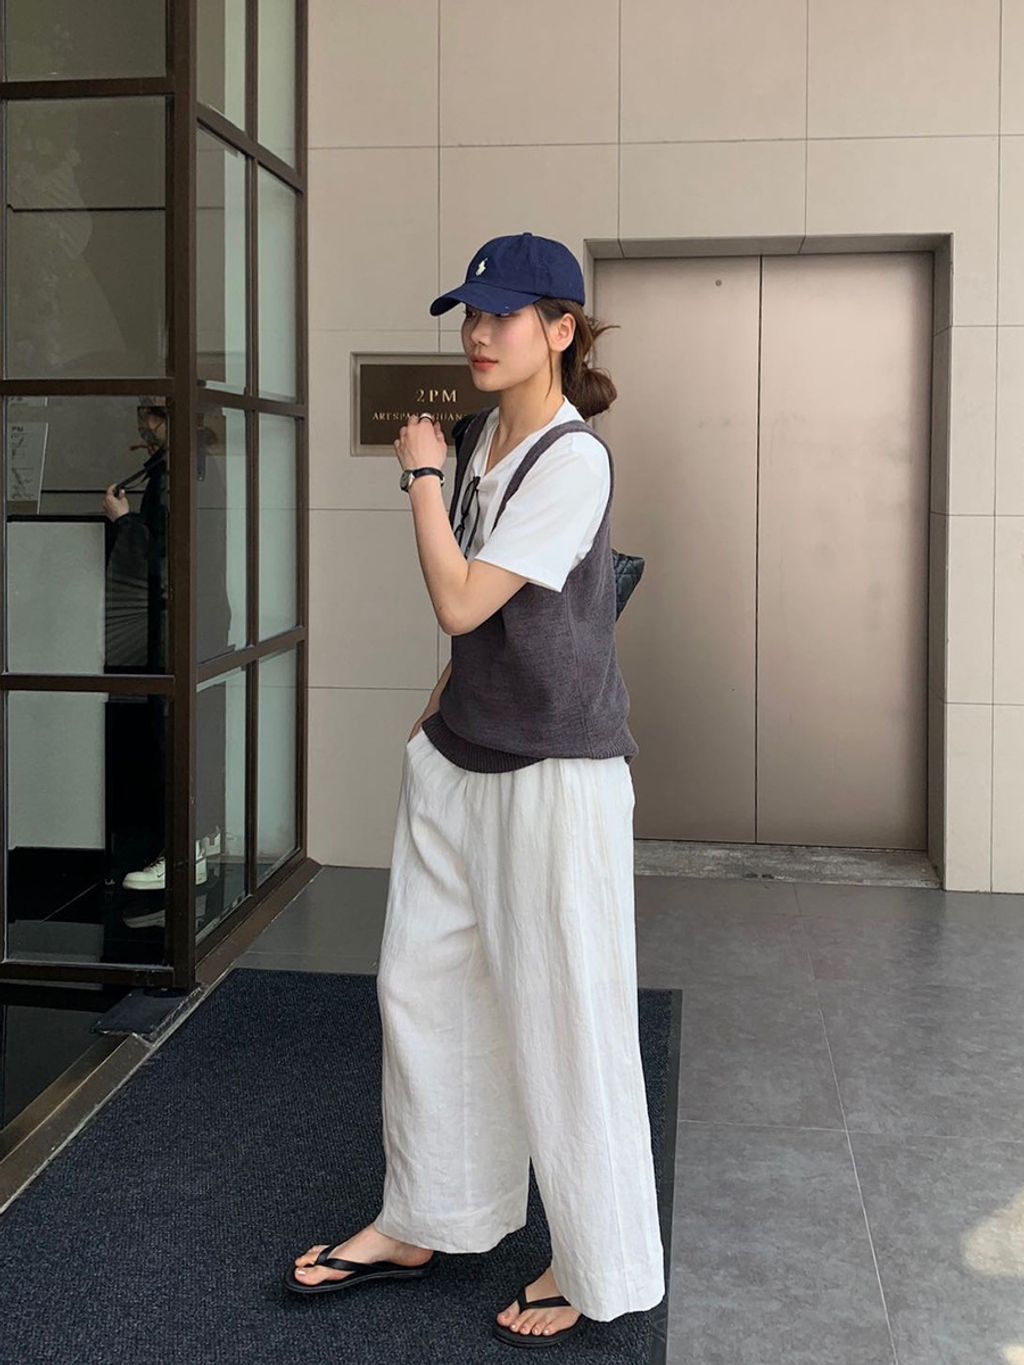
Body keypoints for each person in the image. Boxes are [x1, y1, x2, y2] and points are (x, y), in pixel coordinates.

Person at [285, 234, 664, 1346]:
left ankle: (595, 1266)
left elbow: (459, 599)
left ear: (561, 329)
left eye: (504, 316)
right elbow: (481, 626)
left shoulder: (571, 458)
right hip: (459, 756)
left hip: (554, 776)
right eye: (471, 315)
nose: (480, 334)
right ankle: (427, 1217)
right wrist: (439, 702)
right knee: (425, 991)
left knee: (567, 1016)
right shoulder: (480, 439)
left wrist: (416, 476)